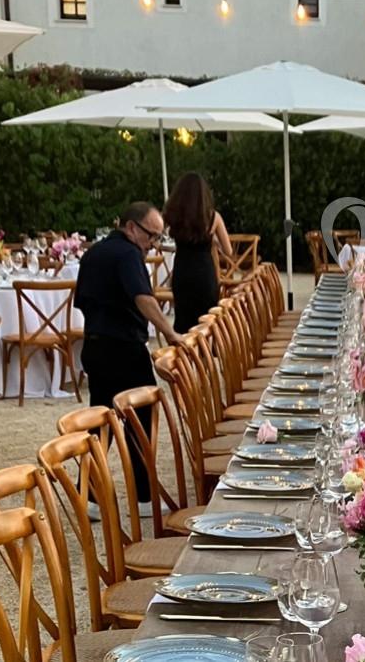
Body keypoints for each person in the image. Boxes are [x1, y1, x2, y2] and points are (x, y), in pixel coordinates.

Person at [75, 201, 181, 505]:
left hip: (95, 344)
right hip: (123, 348)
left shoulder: (94, 253)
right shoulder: (128, 254)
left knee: (100, 423)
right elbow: (143, 299)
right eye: (151, 236)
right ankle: (145, 498)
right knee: (141, 421)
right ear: (131, 227)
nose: (154, 244)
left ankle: (89, 496)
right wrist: (170, 333)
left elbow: (82, 301)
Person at [162, 172, 233, 334]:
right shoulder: (213, 217)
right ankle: (205, 355)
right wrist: (213, 242)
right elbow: (228, 250)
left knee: (184, 321)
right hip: (204, 274)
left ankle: (185, 357)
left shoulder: (174, 216)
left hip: (182, 272)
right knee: (206, 321)